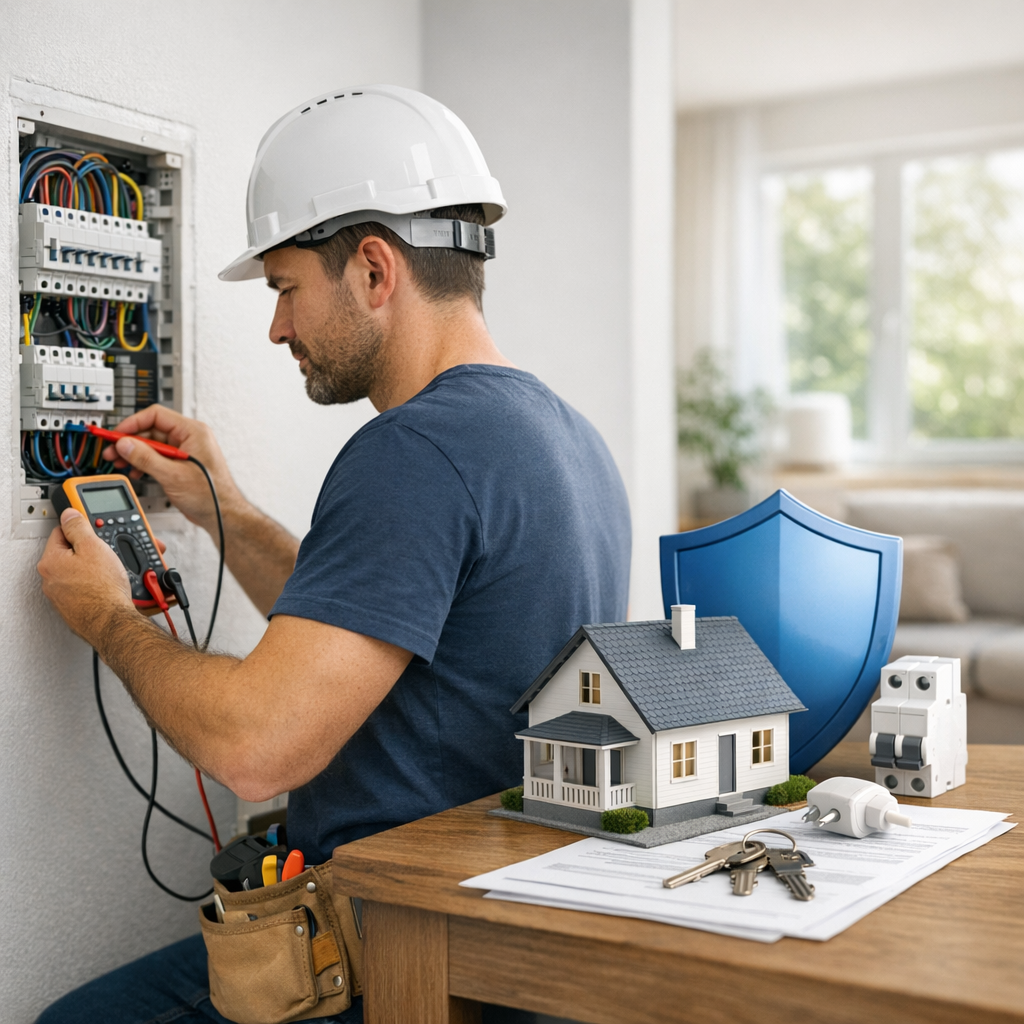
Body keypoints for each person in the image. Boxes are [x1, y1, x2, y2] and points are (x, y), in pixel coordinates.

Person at [36, 85, 630, 1024]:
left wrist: (104, 615)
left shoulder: (412, 453)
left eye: (284, 288)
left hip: (383, 964)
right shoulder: (561, 436)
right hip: (494, 957)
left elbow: (256, 749)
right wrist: (223, 508)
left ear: (374, 270)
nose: (277, 328)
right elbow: (373, 630)